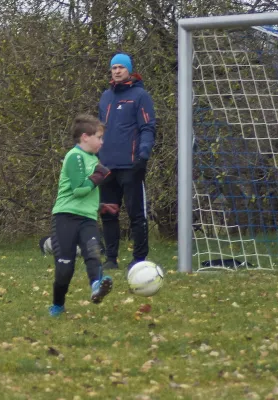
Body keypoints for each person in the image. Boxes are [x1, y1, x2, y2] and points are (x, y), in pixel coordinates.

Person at [48, 114, 119, 317]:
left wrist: (102, 205)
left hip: (87, 218)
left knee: (93, 253)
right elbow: (79, 190)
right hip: (65, 217)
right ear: (85, 137)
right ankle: (58, 305)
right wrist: (98, 177)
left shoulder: (92, 159)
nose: (102, 142)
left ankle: (97, 286)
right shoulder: (74, 156)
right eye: (99, 137)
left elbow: (87, 192)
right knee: (65, 269)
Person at [98, 53, 156, 272]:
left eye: (121, 67)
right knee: (108, 213)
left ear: (129, 70)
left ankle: (139, 258)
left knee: (136, 214)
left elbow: (147, 127)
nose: (117, 71)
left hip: (131, 165)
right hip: (106, 166)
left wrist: (143, 155)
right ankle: (111, 258)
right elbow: (98, 131)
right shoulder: (105, 97)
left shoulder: (140, 96)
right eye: (114, 67)